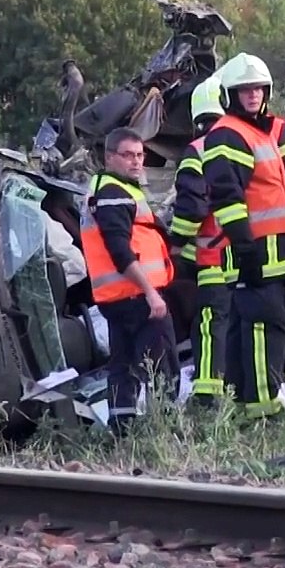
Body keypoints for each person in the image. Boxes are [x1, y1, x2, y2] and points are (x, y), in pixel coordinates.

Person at [202, 52, 285, 417]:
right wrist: (244, 246)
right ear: (230, 95)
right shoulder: (227, 133)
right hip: (255, 248)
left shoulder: (258, 131)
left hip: (276, 247)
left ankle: (241, 401)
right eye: (244, 90)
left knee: (247, 325)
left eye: (258, 89)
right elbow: (227, 195)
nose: (253, 95)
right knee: (261, 327)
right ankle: (263, 408)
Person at [80, 127, 176, 434]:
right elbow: (120, 250)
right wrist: (151, 293)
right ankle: (166, 429)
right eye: (128, 155)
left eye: (140, 155)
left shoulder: (106, 188)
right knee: (160, 363)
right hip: (136, 295)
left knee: (122, 366)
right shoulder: (113, 194)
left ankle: (122, 429)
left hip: (116, 298)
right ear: (110, 158)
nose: (136, 162)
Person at [166, 74, 231, 404]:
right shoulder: (242, 141)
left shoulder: (198, 149)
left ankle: (207, 396)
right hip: (245, 253)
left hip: (211, 256)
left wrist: (175, 243)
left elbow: (191, 205)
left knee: (208, 324)